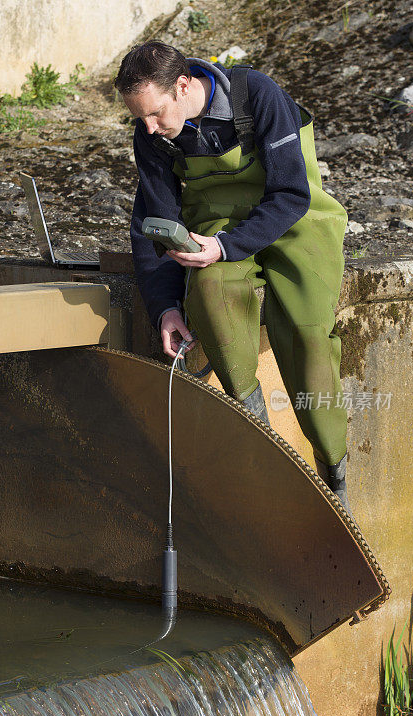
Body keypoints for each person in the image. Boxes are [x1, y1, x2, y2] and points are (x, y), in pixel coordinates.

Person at [114, 41, 353, 515]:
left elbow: (290, 194)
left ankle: (335, 471)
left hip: (295, 221)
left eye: (156, 113)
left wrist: (226, 248)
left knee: (306, 335)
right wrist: (164, 306)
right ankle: (262, 443)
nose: (148, 127)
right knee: (208, 293)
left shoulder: (256, 95)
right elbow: (154, 227)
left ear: (183, 86)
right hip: (215, 228)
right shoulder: (153, 134)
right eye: (139, 118)